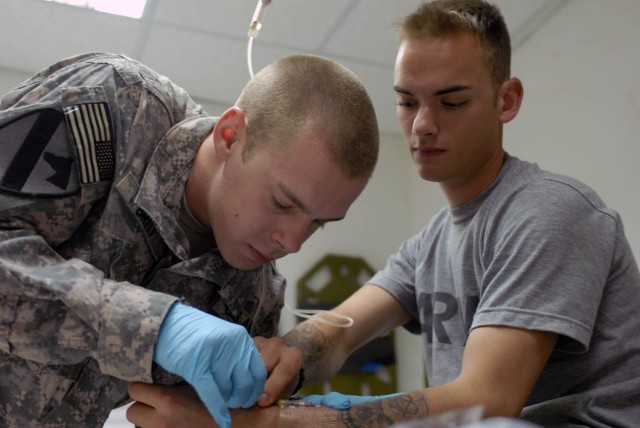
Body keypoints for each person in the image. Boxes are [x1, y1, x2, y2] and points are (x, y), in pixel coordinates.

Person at [125, 0, 640, 427]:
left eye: (451, 102)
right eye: (407, 102)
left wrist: (270, 422)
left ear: (506, 100)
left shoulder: (548, 211)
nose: (422, 126)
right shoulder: (432, 244)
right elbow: (341, 329)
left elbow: (488, 401)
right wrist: (286, 358)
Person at [0, 51, 379, 428]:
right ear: (230, 136)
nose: (293, 242)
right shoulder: (114, 109)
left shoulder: (251, 301)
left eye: (319, 223)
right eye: (281, 202)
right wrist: (154, 327)